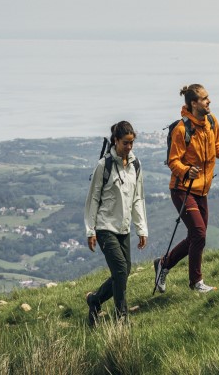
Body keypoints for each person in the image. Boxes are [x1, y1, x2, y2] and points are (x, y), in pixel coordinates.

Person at [154, 84, 219, 293]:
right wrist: (187, 171)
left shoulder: (211, 122)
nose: (209, 101)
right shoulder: (182, 129)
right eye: (205, 99)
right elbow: (173, 161)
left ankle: (163, 264)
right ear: (194, 103)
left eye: (208, 97)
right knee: (199, 234)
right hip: (182, 190)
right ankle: (196, 283)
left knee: (195, 236)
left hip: (202, 191)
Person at [84, 121, 148, 326]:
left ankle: (95, 300)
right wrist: (90, 230)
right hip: (105, 227)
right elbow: (93, 198)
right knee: (120, 269)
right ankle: (122, 317)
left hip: (124, 228)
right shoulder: (104, 165)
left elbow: (137, 198)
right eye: (125, 143)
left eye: (131, 143)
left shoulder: (136, 165)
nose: (129, 147)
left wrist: (141, 228)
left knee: (124, 271)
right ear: (115, 141)